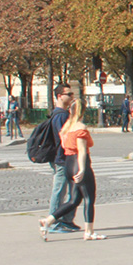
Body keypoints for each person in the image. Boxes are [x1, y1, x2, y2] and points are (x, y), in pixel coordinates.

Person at [39, 98, 104, 240]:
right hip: (78, 163)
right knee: (89, 198)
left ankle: (48, 220)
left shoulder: (66, 127)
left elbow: (65, 145)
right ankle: (89, 232)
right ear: (83, 111)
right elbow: (81, 151)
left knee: (74, 200)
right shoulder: (80, 127)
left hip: (68, 163)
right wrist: (82, 169)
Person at [46, 85, 81, 234]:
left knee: (71, 190)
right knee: (59, 190)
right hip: (62, 158)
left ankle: (67, 219)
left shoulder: (62, 113)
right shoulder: (60, 115)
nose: (72, 96)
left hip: (65, 157)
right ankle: (53, 222)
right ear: (60, 96)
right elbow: (63, 137)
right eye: (69, 94)